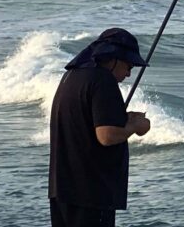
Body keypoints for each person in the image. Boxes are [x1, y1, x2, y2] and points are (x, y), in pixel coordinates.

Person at [49, 27, 152, 227]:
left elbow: (86, 121)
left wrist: (125, 117)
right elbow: (106, 135)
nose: (129, 74)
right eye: (129, 66)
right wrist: (135, 126)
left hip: (62, 190)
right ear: (114, 59)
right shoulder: (103, 80)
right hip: (91, 193)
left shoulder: (73, 77)